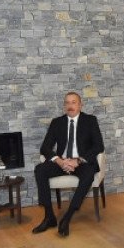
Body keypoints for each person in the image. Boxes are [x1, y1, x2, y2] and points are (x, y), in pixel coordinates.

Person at [32, 91, 105, 237]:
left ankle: (67, 217)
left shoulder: (90, 120)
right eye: (67, 103)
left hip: (81, 163)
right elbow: (45, 148)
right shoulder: (57, 122)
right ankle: (49, 217)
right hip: (62, 162)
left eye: (73, 102)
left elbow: (98, 146)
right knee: (40, 170)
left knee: (88, 175)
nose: (70, 106)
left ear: (80, 105)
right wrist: (59, 161)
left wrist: (78, 161)